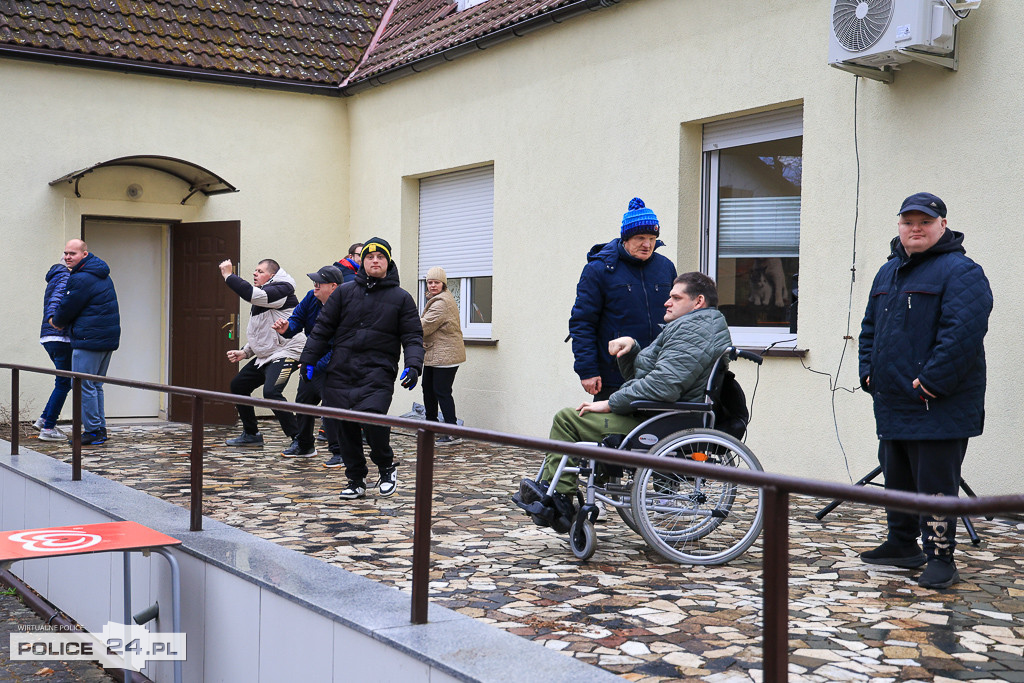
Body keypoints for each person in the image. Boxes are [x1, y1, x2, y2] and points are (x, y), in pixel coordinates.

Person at [516, 272, 731, 532]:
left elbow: (663, 386)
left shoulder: (694, 332)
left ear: (698, 302)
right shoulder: (696, 328)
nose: (667, 302)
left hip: (663, 421)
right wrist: (631, 347)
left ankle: (558, 501)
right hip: (661, 415)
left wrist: (609, 403)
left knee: (569, 419)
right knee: (577, 418)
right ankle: (554, 494)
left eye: (676, 297)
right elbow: (648, 376)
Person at [858, 192, 992, 590]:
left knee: (935, 485)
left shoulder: (962, 271)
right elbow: (869, 329)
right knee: (897, 477)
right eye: (908, 222)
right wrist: (868, 372)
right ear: (899, 226)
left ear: (942, 226)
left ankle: (941, 558)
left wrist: (933, 383)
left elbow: (963, 334)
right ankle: (902, 545)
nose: (915, 229)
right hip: (893, 401)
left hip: (939, 404)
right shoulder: (888, 272)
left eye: (924, 222)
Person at [300, 237, 424, 500]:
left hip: (377, 371)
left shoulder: (401, 298)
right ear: (362, 262)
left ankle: (386, 466)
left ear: (388, 261)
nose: (375, 261)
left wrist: (413, 365)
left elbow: (413, 336)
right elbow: (322, 329)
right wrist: (308, 359)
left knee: (373, 419)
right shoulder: (344, 293)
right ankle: (356, 479)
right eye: (370, 257)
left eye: (380, 257)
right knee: (344, 426)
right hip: (341, 370)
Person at [569, 197, 677, 401]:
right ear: (625, 239)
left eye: (653, 238)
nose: (648, 244)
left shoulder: (666, 267)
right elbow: (582, 323)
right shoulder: (599, 269)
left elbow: (678, 317)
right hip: (614, 376)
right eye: (640, 238)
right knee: (613, 432)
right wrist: (587, 370)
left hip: (658, 374)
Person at [220, 258, 305, 448]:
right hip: (268, 355)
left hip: (288, 351)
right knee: (238, 386)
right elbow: (263, 330)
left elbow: (251, 294)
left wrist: (229, 275)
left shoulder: (281, 290)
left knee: (271, 392)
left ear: (271, 276)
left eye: (260, 271)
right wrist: (246, 351)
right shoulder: (266, 294)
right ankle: (251, 434)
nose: (255, 274)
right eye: (255, 271)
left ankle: (300, 439)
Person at [50, 239, 120, 446]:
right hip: (105, 340)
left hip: (89, 340)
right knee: (95, 385)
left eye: (72, 253)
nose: (67, 257)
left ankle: (91, 431)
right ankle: (99, 429)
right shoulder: (100, 274)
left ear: (85, 254)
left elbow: (67, 307)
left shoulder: (81, 278)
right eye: (65, 253)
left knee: (82, 385)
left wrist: (55, 321)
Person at [270, 265, 345, 459]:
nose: (315, 285)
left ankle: (339, 451)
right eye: (314, 281)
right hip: (312, 357)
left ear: (334, 286)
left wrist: (315, 365)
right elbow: (296, 320)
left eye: (320, 282)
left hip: (334, 362)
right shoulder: (311, 297)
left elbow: (340, 347)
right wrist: (286, 328)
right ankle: (304, 445)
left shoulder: (346, 306)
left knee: (330, 407)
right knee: (303, 402)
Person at [419, 266, 466, 444]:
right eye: (430, 282)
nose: (432, 285)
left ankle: (452, 431)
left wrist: (402, 322)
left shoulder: (441, 303)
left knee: (441, 392)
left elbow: (423, 327)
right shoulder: (437, 299)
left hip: (445, 356)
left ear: (443, 284)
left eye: (436, 282)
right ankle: (431, 426)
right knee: (428, 389)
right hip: (436, 354)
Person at [35, 260, 72, 442]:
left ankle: (43, 419)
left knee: (62, 382)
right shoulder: (66, 276)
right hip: (60, 337)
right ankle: (48, 428)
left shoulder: (55, 277)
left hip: (48, 338)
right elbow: (58, 303)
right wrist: (56, 322)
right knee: (64, 383)